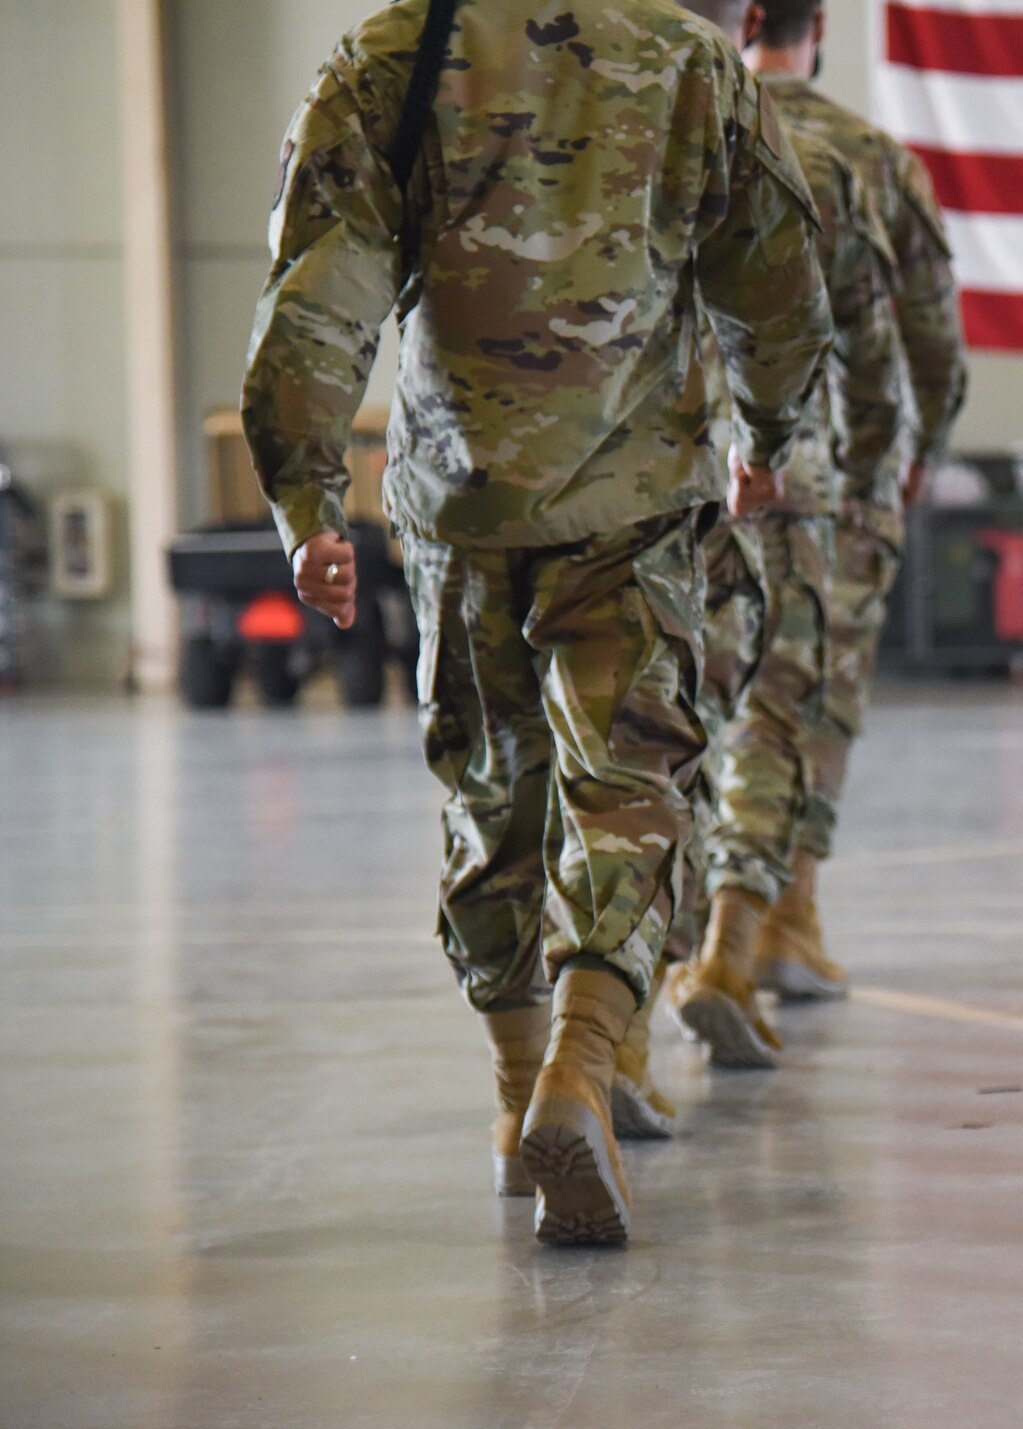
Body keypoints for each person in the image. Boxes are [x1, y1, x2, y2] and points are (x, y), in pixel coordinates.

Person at [242, 0, 832, 1245]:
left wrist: (306, 502)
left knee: (489, 788)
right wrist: (771, 443)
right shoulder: (685, 60)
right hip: (632, 497)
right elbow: (775, 281)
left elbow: (317, 286)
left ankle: (518, 1101)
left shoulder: (393, 52)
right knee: (629, 786)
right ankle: (583, 1062)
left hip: (460, 503)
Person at [662, 0, 908, 1069]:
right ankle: (732, 944)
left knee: (663, 722)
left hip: (659, 480)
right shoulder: (849, 154)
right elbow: (894, 333)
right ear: (810, 28)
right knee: (783, 714)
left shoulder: (645, 123)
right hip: (793, 481)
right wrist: (878, 463)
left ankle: (628, 1003)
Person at [739, 0, 969, 1002]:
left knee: (700, 711)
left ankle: (706, 939)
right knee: (809, 703)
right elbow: (930, 340)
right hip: (834, 479)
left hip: (693, 479)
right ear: (813, 23)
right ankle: (775, 920)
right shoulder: (873, 158)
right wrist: (917, 451)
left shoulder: (670, 131)